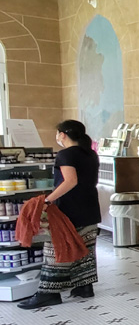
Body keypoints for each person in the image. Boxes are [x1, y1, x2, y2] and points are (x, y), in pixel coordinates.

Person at [18, 120, 101, 309]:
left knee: (56, 249)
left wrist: (47, 201)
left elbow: (70, 181)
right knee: (85, 249)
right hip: (90, 207)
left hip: (69, 210)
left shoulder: (66, 154)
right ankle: (84, 287)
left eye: (57, 133)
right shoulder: (90, 153)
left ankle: (48, 293)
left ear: (62, 134)